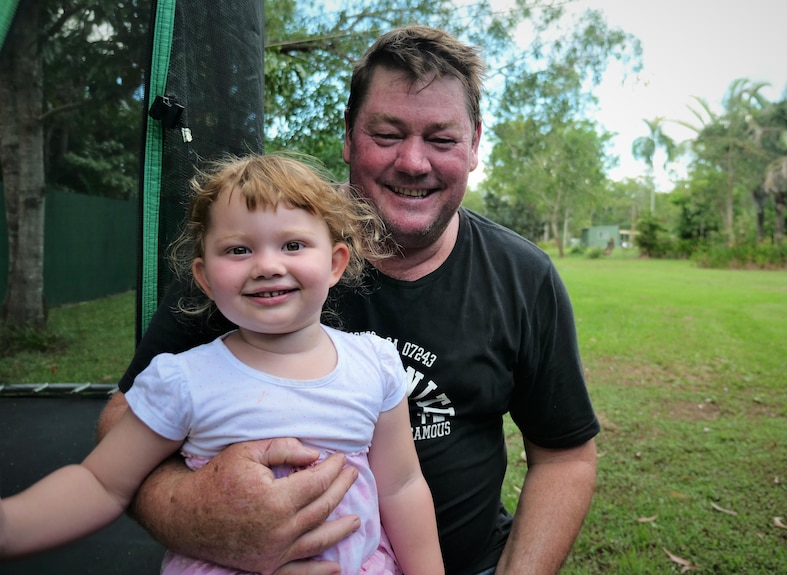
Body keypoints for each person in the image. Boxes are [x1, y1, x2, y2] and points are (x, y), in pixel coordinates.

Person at [99, 25, 600, 575]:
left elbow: (564, 456)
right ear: (348, 136)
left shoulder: (522, 276)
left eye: (441, 139)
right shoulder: (254, 259)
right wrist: (196, 514)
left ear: (475, 145)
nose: (413, 162)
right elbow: (122, 420)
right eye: (387, 134)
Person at [0, 154, 444, 575]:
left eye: (292, 244)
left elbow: (401, 487)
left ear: (334, 263)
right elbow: (102, 484)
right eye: (237, 250)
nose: (267, 265)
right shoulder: (184, 381)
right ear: (205, 278)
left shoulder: (374, 364)